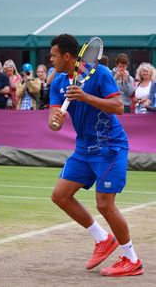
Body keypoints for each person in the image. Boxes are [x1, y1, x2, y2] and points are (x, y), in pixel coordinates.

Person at [48, 34, 143, 277]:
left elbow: (119, 107)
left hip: (110, 147)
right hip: (83, 149)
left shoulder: (100, 74)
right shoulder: (58, 82)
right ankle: (102, 239)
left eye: (54, 55)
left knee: (105, 205)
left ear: (67, 56)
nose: (51, 59)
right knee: (60, 196)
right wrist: (55, 122)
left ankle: (131, 259)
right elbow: (54, 120)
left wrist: (85, 97)